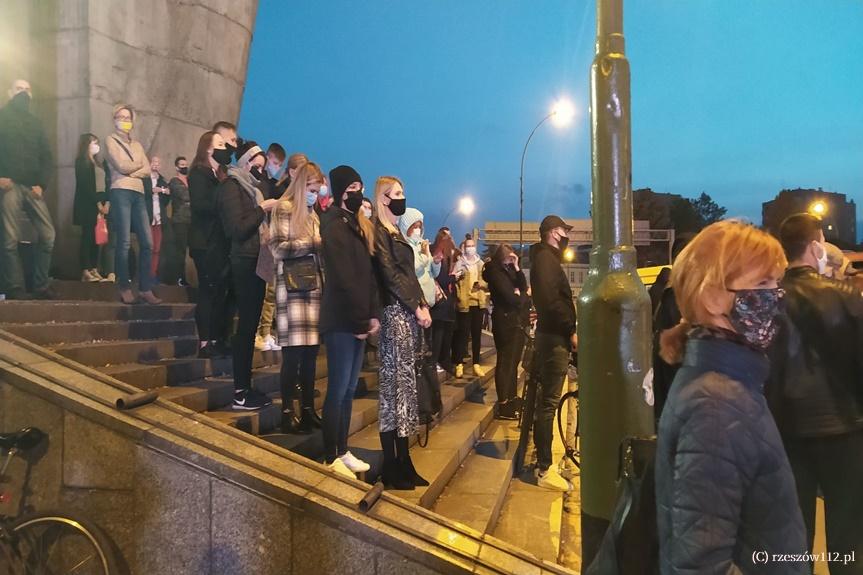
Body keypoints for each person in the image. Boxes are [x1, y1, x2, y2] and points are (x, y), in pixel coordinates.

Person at [656, 220, 807, 574]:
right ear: (712, 298)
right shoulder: (716, 407)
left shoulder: (725, 381)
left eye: (776, 282)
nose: (777, 296)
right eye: (762, 283)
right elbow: (699, 563)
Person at [767, 213, 863, 573]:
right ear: (815, 246)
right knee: (847, 534)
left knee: (794, 532)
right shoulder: (847, 297)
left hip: (786, 430)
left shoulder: (769, 300)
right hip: (844, 428)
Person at [319, 165, 379, 479]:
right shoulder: (333, 224)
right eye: (353, 187)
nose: (359, 193)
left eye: (360, 187)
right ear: (342, 190)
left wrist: (372, 314)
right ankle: (330, 455)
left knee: (348, 390)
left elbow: (366, 275)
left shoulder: (355, 224)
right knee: (338, 389)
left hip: (357, 319)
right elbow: (343, 277)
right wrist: (359, 320)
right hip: (341, 320)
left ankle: (342, 449)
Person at [373, 175, 432, 490]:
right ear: (383, 198)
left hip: (407, 314)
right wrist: (415, 305)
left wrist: (421, 303)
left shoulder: (396, 232)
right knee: (393, 392)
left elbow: (409, 275)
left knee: (405, 392)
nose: (401, 198)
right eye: (396, 193)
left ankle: (405, 460)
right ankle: (392, 463)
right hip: (394, 315)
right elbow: (390, 275)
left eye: (402, 192)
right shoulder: (380, 232)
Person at [217, 141, 279, 410]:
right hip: (243, 261)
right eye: (257, 165)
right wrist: (262, 209)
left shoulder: (253, 188)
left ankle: (246, 385)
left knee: (251, 324)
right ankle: (240, 390)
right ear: (244, 162)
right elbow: (237, 229)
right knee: (245, 327)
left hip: (257, 260)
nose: (260, 171)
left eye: (263, 167)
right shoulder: (232, 186)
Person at [269, 162, 326, 434]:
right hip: (292, 289)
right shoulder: (285, 208)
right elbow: (277, 247)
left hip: (313, 288)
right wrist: (312, 244)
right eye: (312, 189)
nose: (314, 194)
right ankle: (287, 411)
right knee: (292, 354)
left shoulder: (314, 215)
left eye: (317, 190)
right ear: (302, 185)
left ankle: (308, 409)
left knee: (311, 354)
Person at [528, 215, 576, 491]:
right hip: (554, 338)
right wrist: (571, 329)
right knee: (548, 403)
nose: (567, 236)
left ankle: (544, 463)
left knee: (546, 402)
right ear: (553, 233)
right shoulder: (546, 260)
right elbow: (551, 301)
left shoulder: (545, 259)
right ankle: (544, 468)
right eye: (564, 231)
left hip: (552, 336)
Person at [0, 79, 56, 299]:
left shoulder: (36, 123)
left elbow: (47, 156)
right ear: (9, 92)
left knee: (48, 235)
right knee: (9, 240)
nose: (23, 93)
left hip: (32, 186)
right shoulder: (2, 117)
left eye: (27, 89)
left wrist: (42, 184)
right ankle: (14, 287)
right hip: (10, 185)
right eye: (18, 89)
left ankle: (41, 285)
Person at [104, 104, 161, 305]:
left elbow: (146, 170)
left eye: (127, 117)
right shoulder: (110, 140)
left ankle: (145, 288)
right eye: (120, 117)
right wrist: (137, 166)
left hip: (138, 194)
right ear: (114, 120)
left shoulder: (137, 144)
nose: (124, 120)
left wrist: (132, 169)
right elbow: (121, 165)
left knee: (148, 242)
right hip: (120, 191)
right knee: (124, 241)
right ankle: (124, 286)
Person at [256, 151, 309, 352]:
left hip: (291, 248)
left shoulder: (300, 193)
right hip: (274, 244)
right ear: (293, 172)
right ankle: (263, 332)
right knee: (270, 292)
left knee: (279, 294)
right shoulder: (280, 190)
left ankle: (272, 332)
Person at [189, 131, 233, 358]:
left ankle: (216, 338)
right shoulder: (199, 173)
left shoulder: (220, 175)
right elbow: (200, 205)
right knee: (207, 290)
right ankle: (204, 342)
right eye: (220, 144)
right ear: (208, 148)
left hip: (219, 243)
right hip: (204, 242)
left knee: (219, 292)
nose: (225, 149)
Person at [483, 244, 528, 420]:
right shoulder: (495, 272)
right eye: (510, 257)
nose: (512, 259)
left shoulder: (508, 270)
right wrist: (522, 295)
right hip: (505, 321)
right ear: (503, 257)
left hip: (515, 321)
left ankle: (512, 397)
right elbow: (511, 298)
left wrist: (517, 267)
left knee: (513, 362)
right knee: (505, 362)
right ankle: (504, 403)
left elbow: (522, 286)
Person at [73, 133, 110, 282]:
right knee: (87, 237)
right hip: (87, 204)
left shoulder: (99, 163)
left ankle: (94, 268)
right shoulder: (81, 162)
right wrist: (98, 203)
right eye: (94, 143)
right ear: (86, 145)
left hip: (101, 203)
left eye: (97, 142)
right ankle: (85, 270)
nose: (97, 146)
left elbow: (106, 183)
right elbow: (85, 185)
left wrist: (106, 202)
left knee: (97, 238)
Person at [452, 236, 488, 378]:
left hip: (478, 303)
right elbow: (454, 280)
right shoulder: (459, 263)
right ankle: (459, 363)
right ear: (464, 247)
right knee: (463, 334)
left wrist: (481, 285)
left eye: (472, 245)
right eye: (468, 246)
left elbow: (487, 281)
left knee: (477, 335)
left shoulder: (481, 263)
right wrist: (457, 279)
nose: (470, 248)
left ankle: (476, 364)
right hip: (464, 302)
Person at [430, 230, 459, 374]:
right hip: (441, 302)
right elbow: (441, 278)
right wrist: (454, 277)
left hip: (446, 302)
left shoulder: (447, 256)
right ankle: (435, 361)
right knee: (438, 334)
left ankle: (442, 361)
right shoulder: (439, 255)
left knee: (444, 334)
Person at [143, 156, 170, 282]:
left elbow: (166, 199)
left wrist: (164, 192)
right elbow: (143, 194)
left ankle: (153, 274)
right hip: (147, 217)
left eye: (158, 163)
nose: (156, 164)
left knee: (157, 249)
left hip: (159, 218)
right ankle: (145, 274)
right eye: (153, 162)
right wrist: (153, 190)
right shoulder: (144, 179)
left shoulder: (162, 180)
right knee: (147, 247)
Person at [167, 156, 191, 285]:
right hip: (180, 220)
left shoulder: (190, 180)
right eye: (182, 165)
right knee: (180, 251)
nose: (184, 167)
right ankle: (179, 278)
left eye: (186, 164)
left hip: (192, 220)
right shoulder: (174, 181)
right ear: (176, 167)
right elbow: (185, 195)